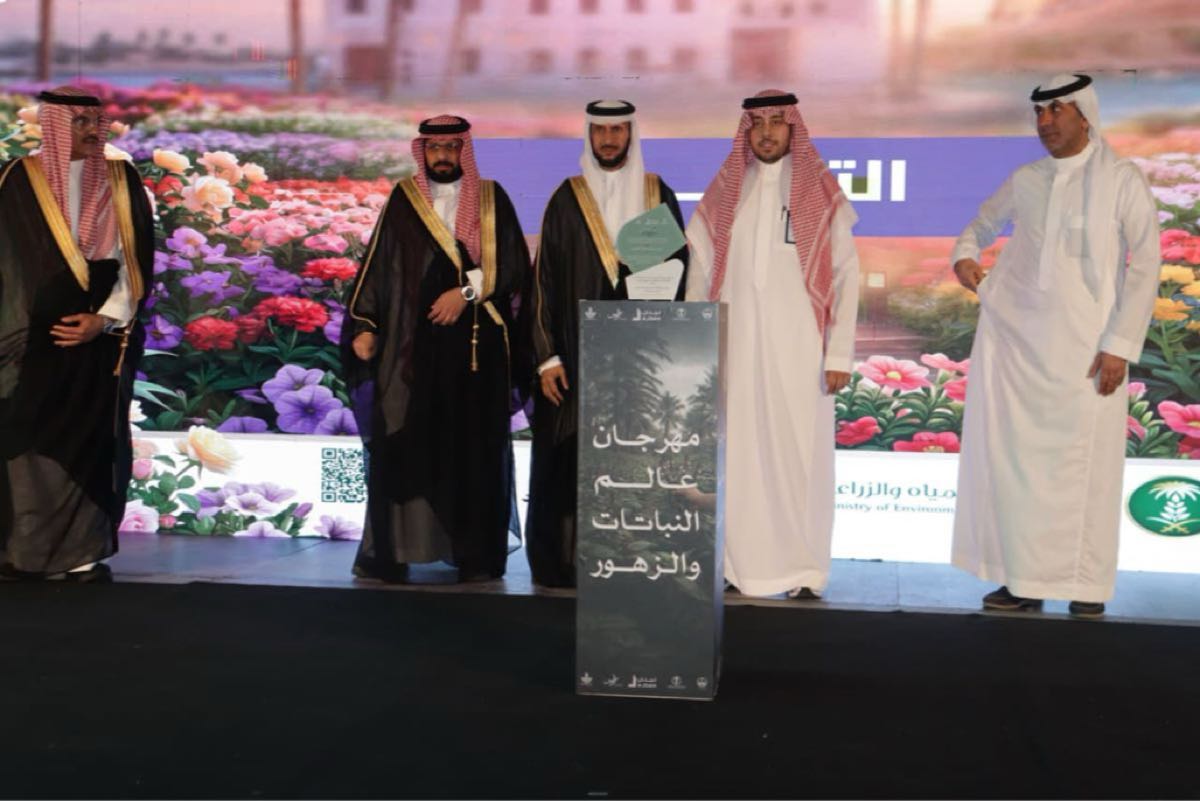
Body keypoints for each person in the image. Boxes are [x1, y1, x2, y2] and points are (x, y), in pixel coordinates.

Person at [950, 74, 1161, 619]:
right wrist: (965, 254)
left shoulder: (1121, 178)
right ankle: (1023, 579)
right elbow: (981, 224)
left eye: (1057, 111)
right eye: (1039, 113)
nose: (1045, 123)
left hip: (1090, 350)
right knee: (1022, 467)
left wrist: (1119, 344)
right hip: (1022, 349)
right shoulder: (1028, 178)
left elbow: (1146, 264)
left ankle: (1086, 583)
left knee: (1085, 470)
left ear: (1085, 115)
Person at [684, 90, 859, 599]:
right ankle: (737, 566)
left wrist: (839, 353)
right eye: (757, 123)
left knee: (801, 456)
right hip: (734, 345)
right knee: (736, 454)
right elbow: (700, 273)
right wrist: (697, 342)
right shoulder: (725, 192)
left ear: (792, 128)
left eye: (777, 122)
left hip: (801, 349)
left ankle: (805, 570)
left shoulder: (819, 193)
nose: (766, 132)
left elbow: (846, 275)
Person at [343, 115, 529, 584]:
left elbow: (512, 266)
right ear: (422, 151)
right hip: (412, 352)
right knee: (407, 443)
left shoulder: (491, 198)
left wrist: (464, 294)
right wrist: (366, 325)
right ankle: (398, 551)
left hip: (476, 352)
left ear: (464, 149)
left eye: (451, 146)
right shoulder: (405, 199)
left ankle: (475, 554)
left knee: (472, 450)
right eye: (434, 147)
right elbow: (380, 267)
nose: (442, 155)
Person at [523, 100, 689, 588]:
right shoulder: (566, 198)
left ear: (631, 134)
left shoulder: (657, 194)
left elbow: (677, 277)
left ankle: (633, 559)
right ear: (589, 135)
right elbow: (542, 283)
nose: (610, 139)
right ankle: (566, 565)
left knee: (636, 460)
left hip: (640, 361)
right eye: (601, 131)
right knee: (569, 457)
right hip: (573, 359)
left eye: (618, 130)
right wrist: (547, 356)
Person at [0, 87, 155, 583]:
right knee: (24, 445)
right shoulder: (17, 179)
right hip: (26, 342)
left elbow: (133, 262)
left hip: (96, 341)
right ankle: (23, 553)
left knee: (87, 442)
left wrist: (103, 320)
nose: (91, 130)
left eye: (95, 120)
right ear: (54, 124)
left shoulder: (120, 178)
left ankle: (80, 556)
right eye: (79, 121)